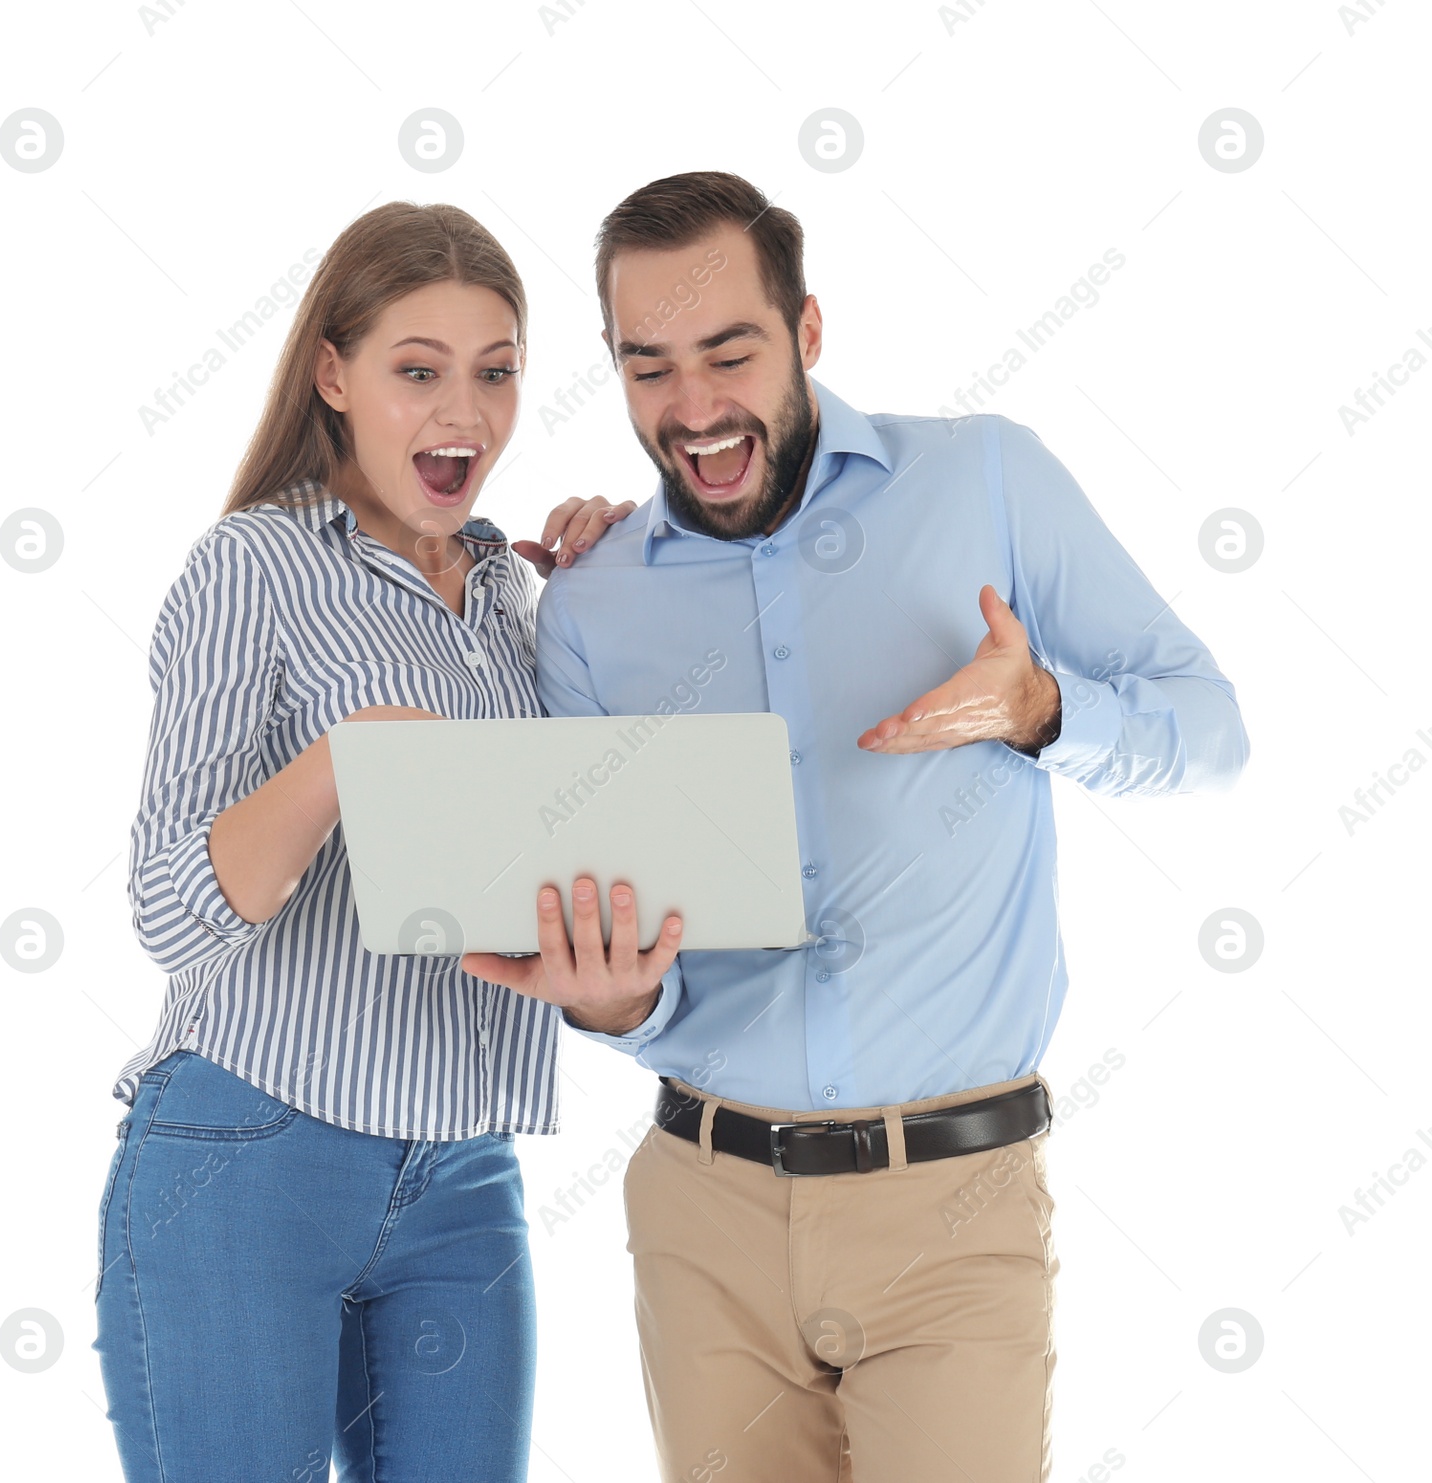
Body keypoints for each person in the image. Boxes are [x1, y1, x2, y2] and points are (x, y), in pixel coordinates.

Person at [463, 171, 1251, 1483]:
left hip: (956, 1200)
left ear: (809, 332)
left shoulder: (986, 478)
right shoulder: (593, 606)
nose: (695, 406)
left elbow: (1210, 727)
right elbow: (613, 929)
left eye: (731, 351)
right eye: (649, 366)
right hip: (703, 1204)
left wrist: (1045, 706)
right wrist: (609, 1005)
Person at [92, 199, 652, 1483]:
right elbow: (171, 910)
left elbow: (573, 867)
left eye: (495, 371)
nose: (464, 412)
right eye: (418, 371)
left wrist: (632, 586)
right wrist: (342, 763)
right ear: (334, 375)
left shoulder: (515, 595)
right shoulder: (255, 567)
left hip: (465, 1176)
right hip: (246, 1152)